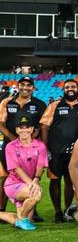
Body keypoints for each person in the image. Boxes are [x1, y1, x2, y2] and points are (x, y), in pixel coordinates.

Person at [40, 79, 78, 223]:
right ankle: (57, 212)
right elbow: (44, 126)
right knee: (54, 181)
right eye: (67, 87)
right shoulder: (54, 105)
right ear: (63, 90)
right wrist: (45, 147)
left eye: (73, 86)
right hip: (56, 151)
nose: (70, 89)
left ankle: (67, 210)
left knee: (70, 181)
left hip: (75, 152)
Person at [0, 76, 47, 218]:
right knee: (4, 177)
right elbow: (1, 124)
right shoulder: (7, 102)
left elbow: (41, 126)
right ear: (18, 86)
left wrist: (32, 141)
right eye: (22, 84)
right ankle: (1, 209)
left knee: (31, 176)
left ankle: (32, 207)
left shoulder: (40, 104)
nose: (25, 87)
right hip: (10, 146)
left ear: (33, 88)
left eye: (28, 85)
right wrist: (15, 140)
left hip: (31, 149)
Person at [0, 117, 46, 230]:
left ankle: (19, 217)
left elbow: (40, 166)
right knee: (36, 193)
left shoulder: (40, 146)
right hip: (13, 184)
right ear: (16, 130)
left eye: (27, 128)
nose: (24, 130)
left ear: (32, 129)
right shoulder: (10, 146)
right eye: (21, 128)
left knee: (26, 222)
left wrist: (36, 180)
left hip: (29, 183)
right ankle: (21, 216)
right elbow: (17, 169)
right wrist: (32, 184)